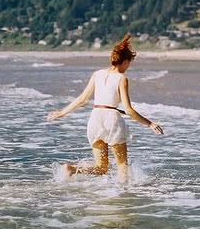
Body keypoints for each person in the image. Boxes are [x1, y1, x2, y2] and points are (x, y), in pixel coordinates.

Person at [48, 33, 163, 182]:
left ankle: (71, 169)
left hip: (95, 119)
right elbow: (128, 110)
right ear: (126, 61)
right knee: (122, 166)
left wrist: (62, 112)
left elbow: (82, 99)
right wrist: (150, 123)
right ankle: (123, 197)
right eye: (129, 62)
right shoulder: (122, 78)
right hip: (112, 120)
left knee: (101, 167)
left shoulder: (97, 74)